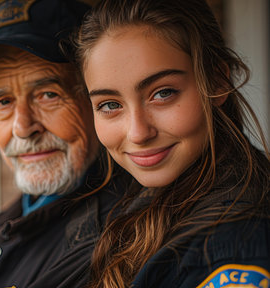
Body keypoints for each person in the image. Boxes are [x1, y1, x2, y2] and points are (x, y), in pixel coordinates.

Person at [74, 0, 270, 287]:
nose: (138, 132)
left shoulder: (231, 243)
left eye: (163, 93)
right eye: (110, 104)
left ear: (216, 82)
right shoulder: (146, 203)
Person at [0, 0, 124, 287]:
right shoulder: (30, 209)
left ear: (98, 99)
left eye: (48, 95)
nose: (22, 128)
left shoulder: (117, 237)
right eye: (3, 102)